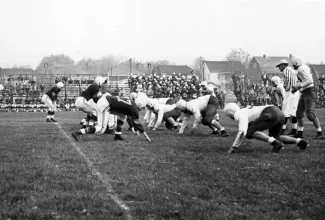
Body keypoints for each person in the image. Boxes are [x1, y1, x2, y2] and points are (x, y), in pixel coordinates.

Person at [224, 103, 309, 154]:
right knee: (276, 136)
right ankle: (300, 141)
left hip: (270, 112)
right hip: (279, 112)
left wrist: (234, 147)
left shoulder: (239, 113)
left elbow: (243, 131)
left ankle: (275, 143)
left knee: (250, 132)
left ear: (230, 113)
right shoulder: (245, 110)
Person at [72, 93, 151, 142]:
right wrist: (146, 136)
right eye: (143, 107)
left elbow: (130, 118)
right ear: (140, 104)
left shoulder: (132, 105)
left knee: (122, 116)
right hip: (105, 104)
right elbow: (137, 123)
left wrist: (135, 129)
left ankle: (117, 135)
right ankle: (78, 132)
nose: (143, 108)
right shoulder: (134, 109)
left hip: (107, 102)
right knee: (100, 129)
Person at [291, 56, 324, 139]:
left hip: (309, 92)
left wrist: (298, 87)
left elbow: (309, 81)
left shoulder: (301, 68)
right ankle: (300, 133)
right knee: (299, 113)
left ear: (297, 62)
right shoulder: (302, 68)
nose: (293, 66)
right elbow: (304, 81)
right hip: (305, 92)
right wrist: (297, 87)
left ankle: (319, 133)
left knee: (310, 114)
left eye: (294, 64)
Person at [276, 59, 300, 135]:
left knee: (285, 112)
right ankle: (294, 130)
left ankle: (282, 130)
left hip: (291, 92)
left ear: (283, 65)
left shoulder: (287, 70)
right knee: (293, 112)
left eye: (279, 66)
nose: (279, 68)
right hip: (293, 93)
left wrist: (292, 90)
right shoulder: (289, 70)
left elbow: (291, 81)